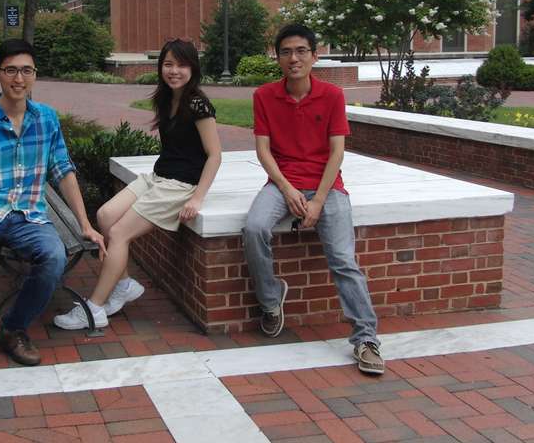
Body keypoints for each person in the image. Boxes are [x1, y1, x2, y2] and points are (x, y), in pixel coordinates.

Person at [0, 38, 104, 388]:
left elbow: (63, 170)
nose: (19, 78)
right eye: (11, 70)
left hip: (30, 213)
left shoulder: (46, 119)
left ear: (35, 75)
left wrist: (85, 224)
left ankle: (13, 329)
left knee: (53, 256)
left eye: (26, 71)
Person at [242, 24, 384, 375]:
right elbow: (263, 151)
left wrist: (318, 200)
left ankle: (366, 339)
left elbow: (337, 152)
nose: (294, 58)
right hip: (281, 183)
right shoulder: (264, 95)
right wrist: (288, 189)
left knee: (342, 259)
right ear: (277, 57)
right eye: (286, 51)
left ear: (314, 56)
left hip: (327, 186)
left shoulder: (332, 95)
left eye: (301, 51)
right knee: (254, 227)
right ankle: (272, 301)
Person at [53, 38, 222, 330]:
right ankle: (125, 284)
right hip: (158, 177)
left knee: (118, 234)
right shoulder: (166, 98)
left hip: (180, 186)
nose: (174, 71)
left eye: (182, 65)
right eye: (168, 64)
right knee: (105, 215)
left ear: (193, 68)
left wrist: (197, 198)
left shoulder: (198, 104)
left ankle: (94, 309)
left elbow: (215, 156)